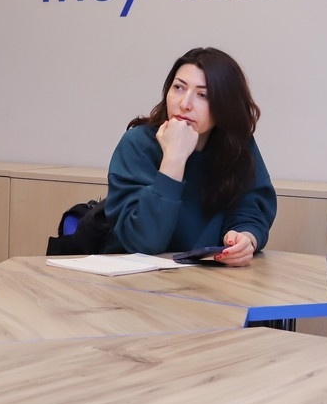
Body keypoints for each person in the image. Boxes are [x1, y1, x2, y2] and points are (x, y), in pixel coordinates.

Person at [103, 47, 276, 267]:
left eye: (203, 95)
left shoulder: (237, 145)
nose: (185, 103)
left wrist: (245, 238)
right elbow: (144, 241)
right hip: (136, 276)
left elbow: (251, 208)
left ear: (225, 105)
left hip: (209, 276)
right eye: (179, 87)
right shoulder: (138, 144)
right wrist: (174, 159)